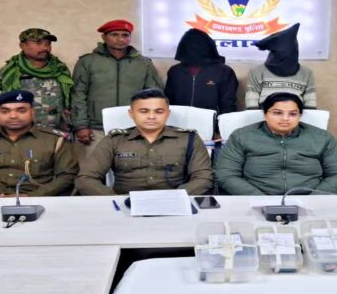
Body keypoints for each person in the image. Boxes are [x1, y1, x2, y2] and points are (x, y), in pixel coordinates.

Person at [75, 89, 212, 195]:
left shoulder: (189, 139)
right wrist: (113, 199)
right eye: (144, 111)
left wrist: (175, 198)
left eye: (159, 111)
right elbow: (86, 179)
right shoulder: (114, 140)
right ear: (131, 113)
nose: (151, 116)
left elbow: (204, 178)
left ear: (167, 114)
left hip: (176, 205)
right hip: (124, 205)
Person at [216, 92, 337, 195]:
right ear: (265, 114)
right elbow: (226, 175)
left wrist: (314, 199)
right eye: (277, 113)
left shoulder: (322, 137)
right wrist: (259, 199)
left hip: (312, 200)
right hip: (255, 199)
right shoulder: (241, 136)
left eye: (293, 114)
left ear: (300, 115)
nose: (285, 118)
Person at [0, 90, 78, 198]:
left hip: (37, 201)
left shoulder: (54, 140)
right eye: (5, 111)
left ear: (32, 113)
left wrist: (31, 196)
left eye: (21, 111)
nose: (13, 116)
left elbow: (67, 176)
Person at [70, 19, 163, 160]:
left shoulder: (144, 64)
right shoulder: (87, 62)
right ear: (104, 37)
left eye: (125, 35)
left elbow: (154, 97)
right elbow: (78, 94)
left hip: (133, 129)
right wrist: (81, 125)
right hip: (97, 129)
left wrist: (151, 125)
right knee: (94, 169)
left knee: (130, 168)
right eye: (114, 35)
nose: (120, 39)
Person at [0, 28, 73, 132]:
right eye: (38, 43)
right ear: (22, 45)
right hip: (18, 136)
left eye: (48, 43)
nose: (45, 48)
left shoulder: (60, 71)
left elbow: (73, 101)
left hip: (55, 135)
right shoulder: (8, 73)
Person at [164, 28, 238, 114]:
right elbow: (168, 102)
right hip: (178, 120)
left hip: (212, 121)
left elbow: (228, 105)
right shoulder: (175, 72)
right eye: (190, 44)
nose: (194, 48)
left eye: (198, 44)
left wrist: (220, 122)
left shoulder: (224, 72)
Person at [245, 23, 317, 109]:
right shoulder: (257, 72)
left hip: (295, 116)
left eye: (289, 54)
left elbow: (310, 106)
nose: (285, 58)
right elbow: (251, 106)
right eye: (281, 54)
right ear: (273, 53)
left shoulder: (306, 73)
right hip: (264, 116)